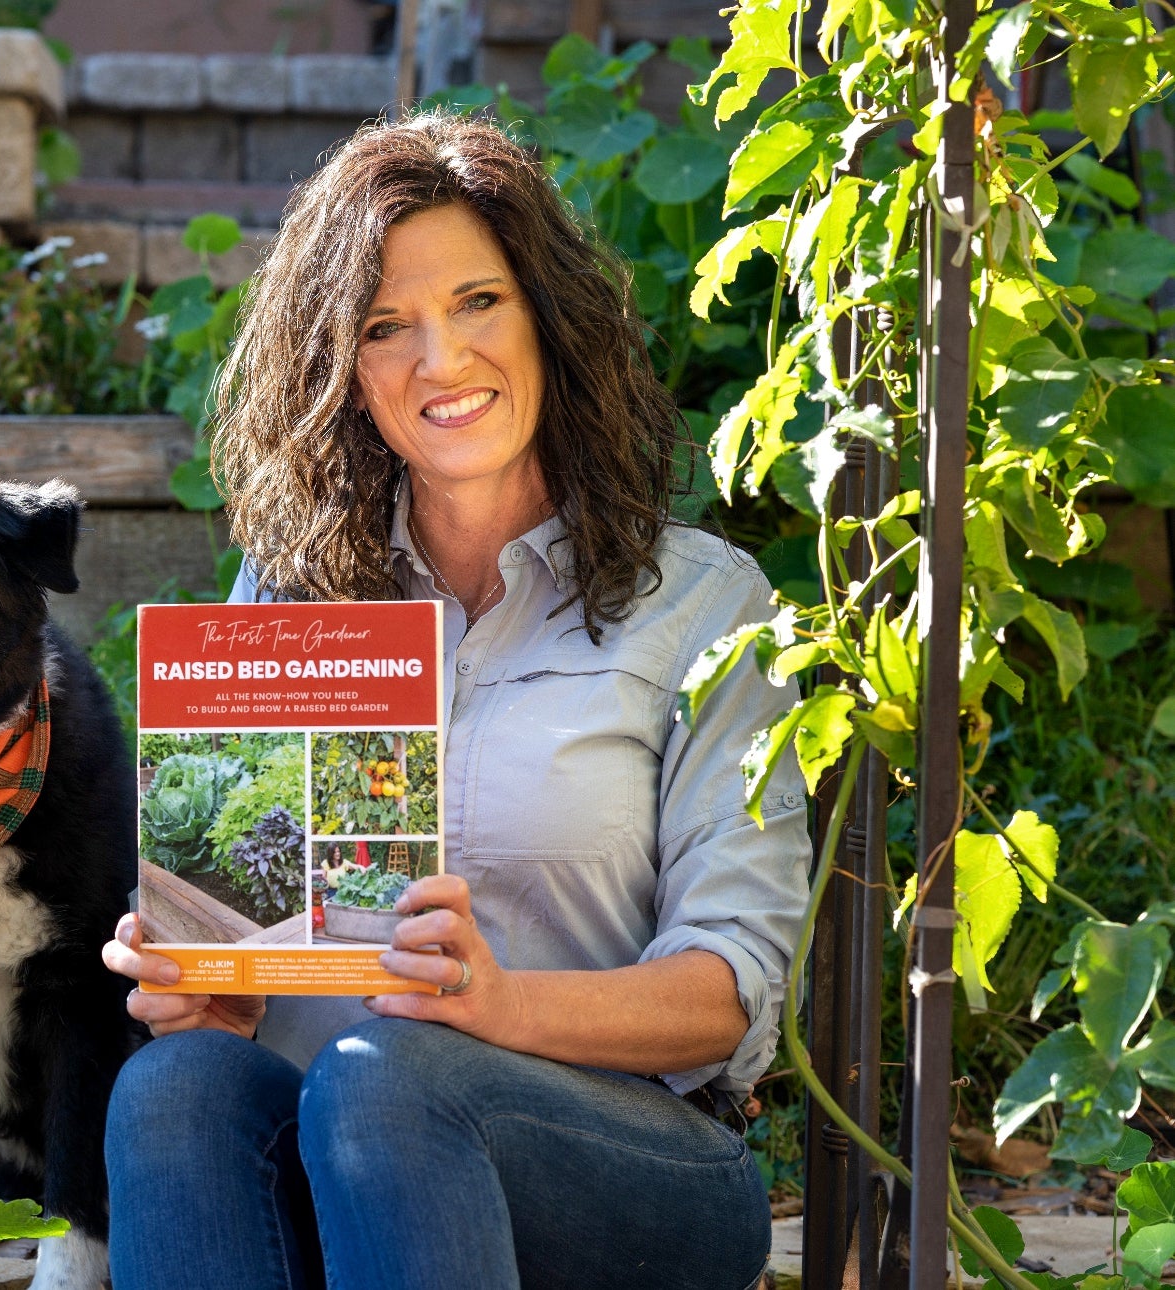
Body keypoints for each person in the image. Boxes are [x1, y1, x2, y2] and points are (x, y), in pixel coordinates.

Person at [99, 111, 812, 1289]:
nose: (440, 360)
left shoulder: (701, 603)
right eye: (386, 328)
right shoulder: (289, 600)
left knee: (391, 1076)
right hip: (336, 1137)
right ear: (345, 373)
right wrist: (208, 985)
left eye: (477, 302)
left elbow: (722, 999)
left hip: (622, 1164)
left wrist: (492, 1003)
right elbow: (253, 939)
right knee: (175, 1087)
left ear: (544, 316)